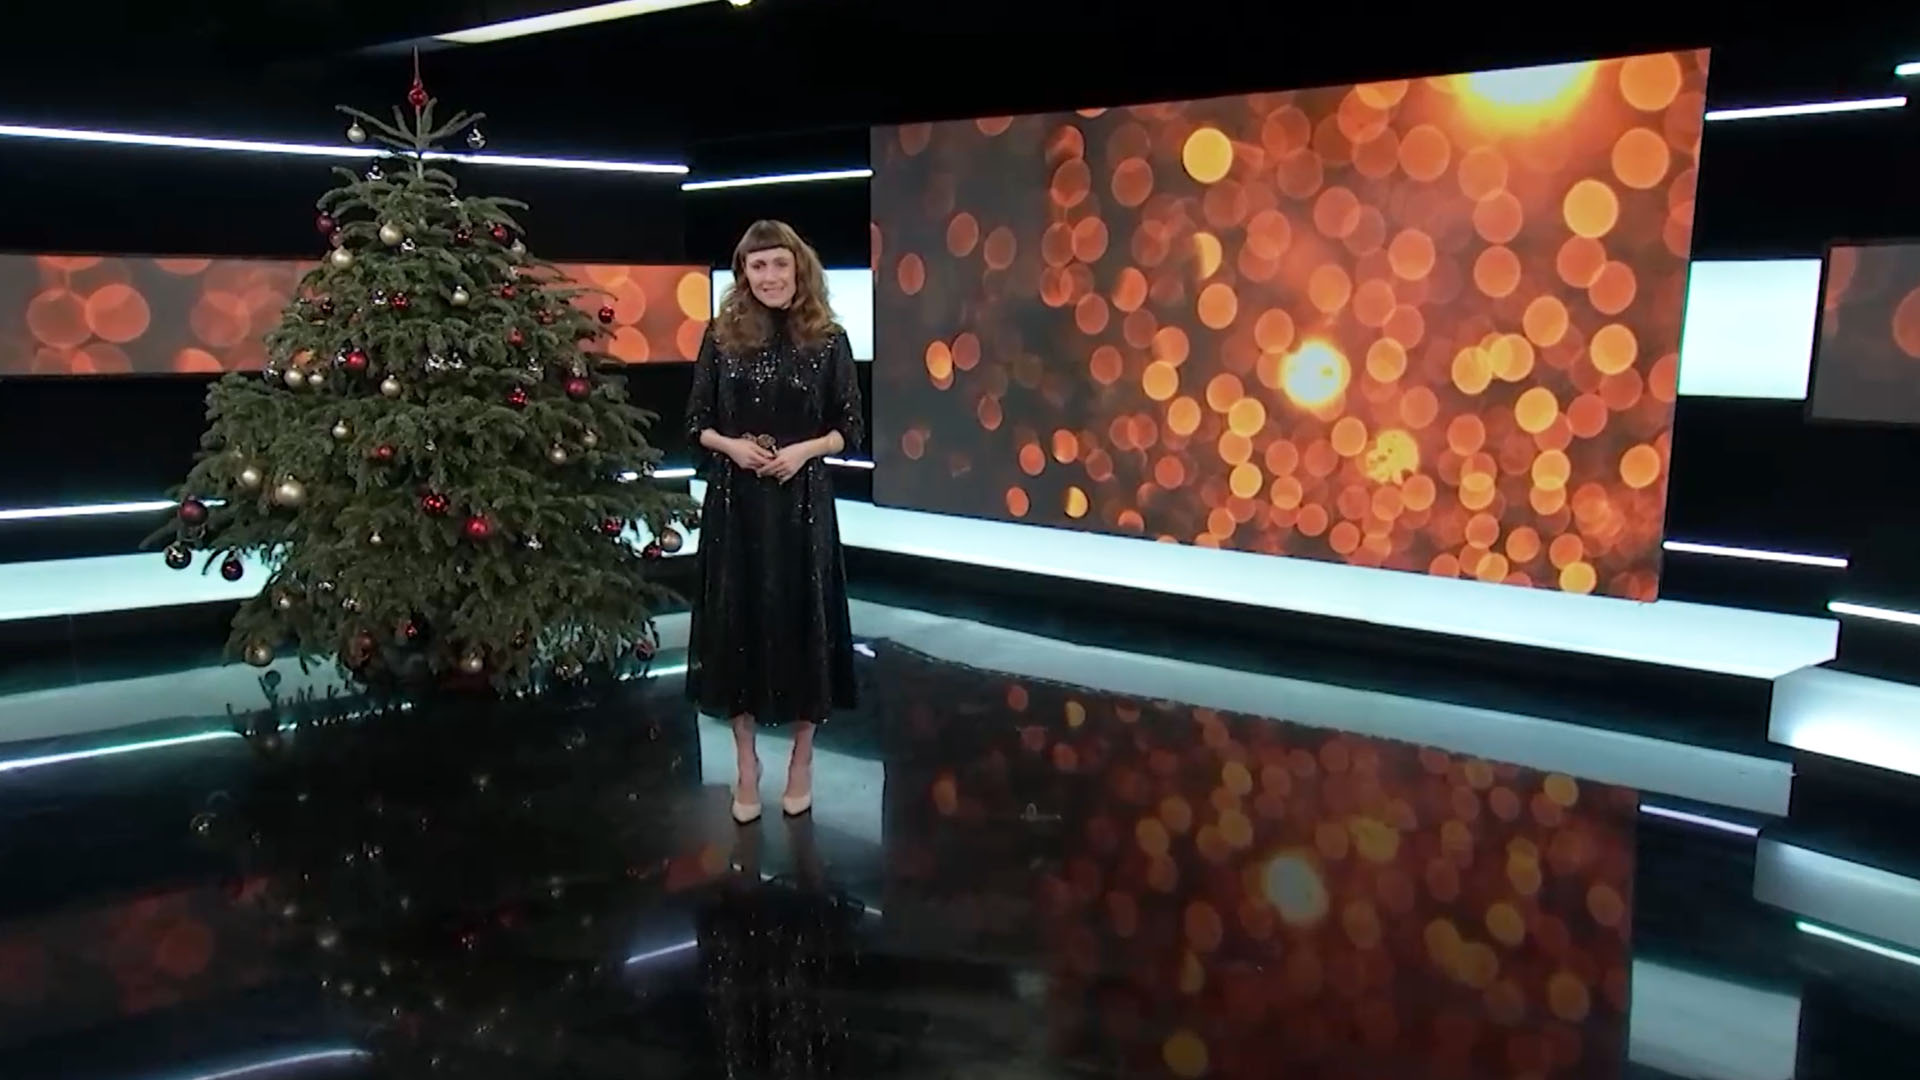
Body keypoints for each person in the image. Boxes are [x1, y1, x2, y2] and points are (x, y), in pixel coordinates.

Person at [685, 220, 862, 825]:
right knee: (737, 624)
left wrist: (805, 450)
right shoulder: (721, 336)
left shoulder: (829, 339)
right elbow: (696, 424)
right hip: (735, 503)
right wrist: (731, 447)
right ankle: (746, 765)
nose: (769, 277)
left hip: (802, 504)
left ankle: (801, 761)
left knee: (805, 622)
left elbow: (849, 428)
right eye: (757, 266)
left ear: (797, 267)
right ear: (744, 273)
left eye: (778, 264)